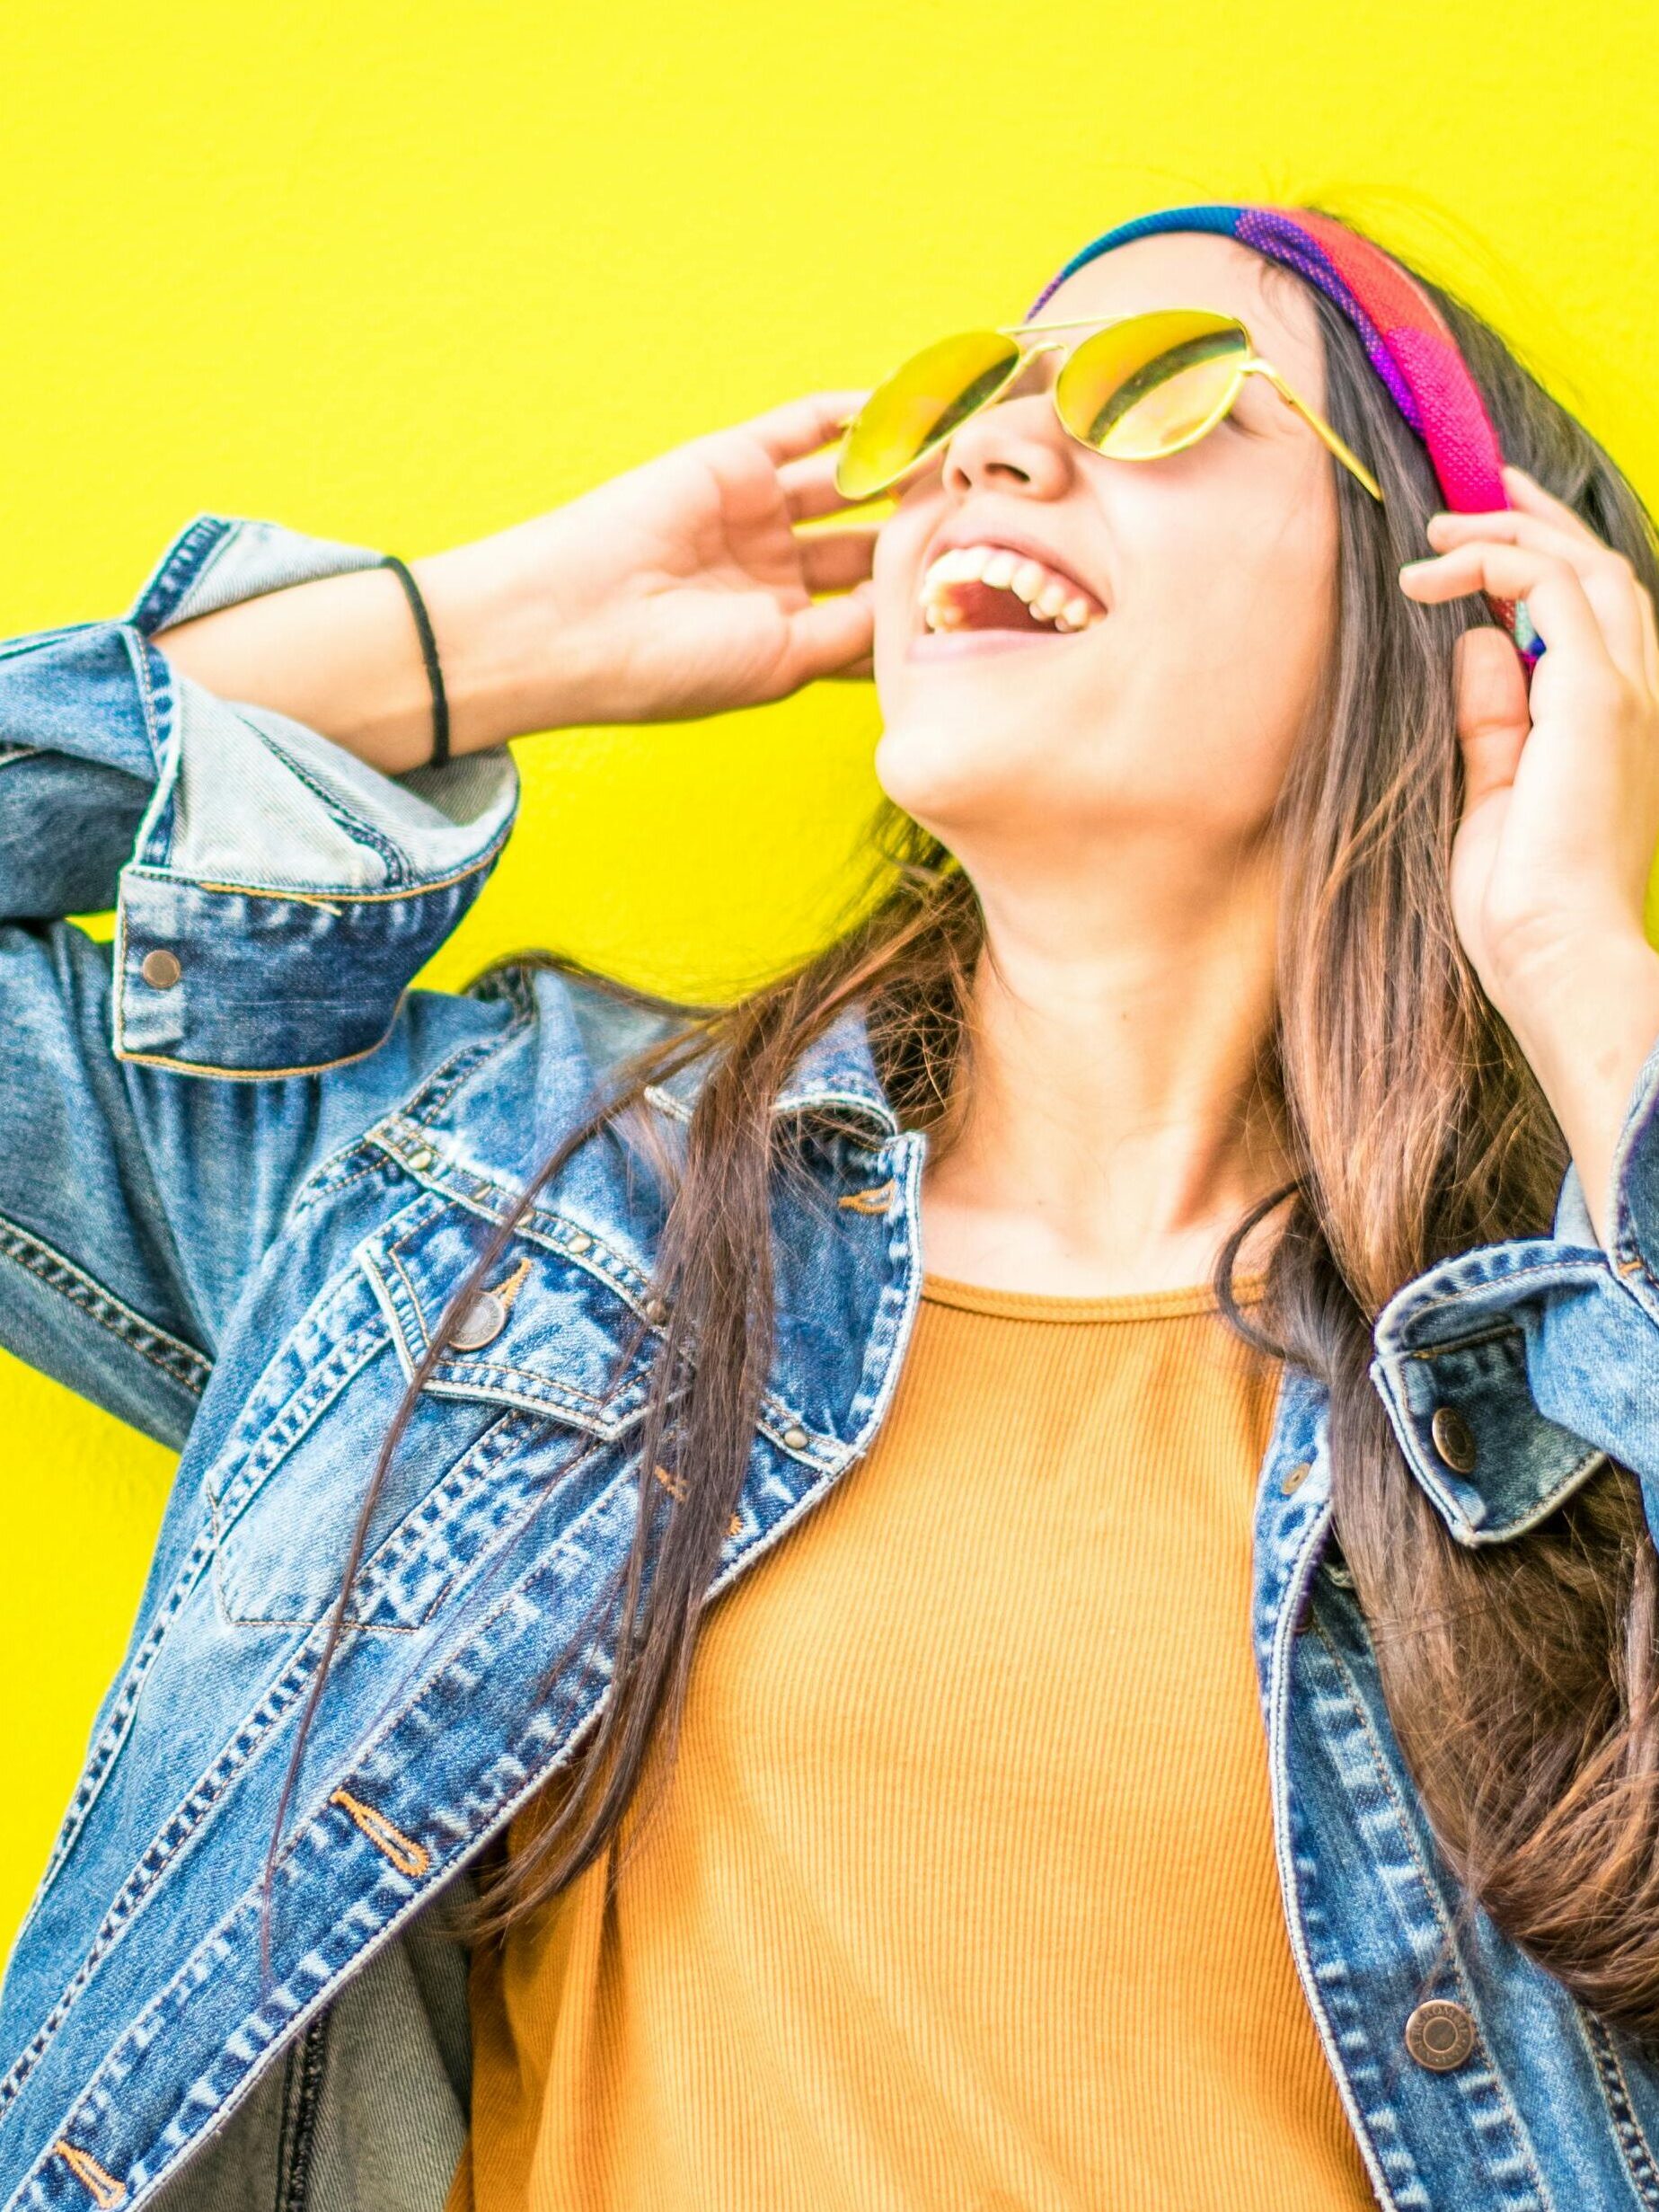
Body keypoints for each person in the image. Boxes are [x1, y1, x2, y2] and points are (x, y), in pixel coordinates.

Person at [1, 199, 1658, 2212]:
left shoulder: (1572, 1389)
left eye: (1164, 392)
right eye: (969, 406)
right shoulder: (514, 1204)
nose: (994, 448)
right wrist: (476, 639)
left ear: (1474, 616)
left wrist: (1581, 965)